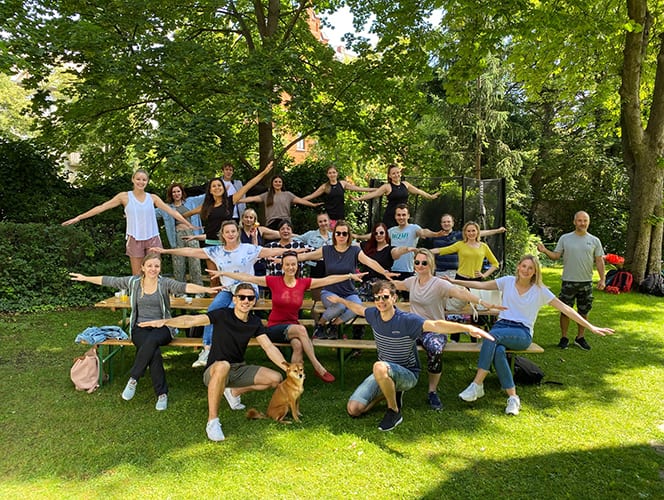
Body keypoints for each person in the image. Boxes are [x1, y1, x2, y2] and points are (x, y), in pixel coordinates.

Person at [450, 255, 614, 415]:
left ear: (535, 272)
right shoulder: (507, 281)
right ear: (518, 267)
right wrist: (454, 281)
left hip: (522, 333)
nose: (526, 270)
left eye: (531, 268)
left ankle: (477, 384)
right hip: (501, 327)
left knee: (491, 336)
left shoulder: (540, 291)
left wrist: (590, 327)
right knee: (498, 351)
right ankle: (513, 398)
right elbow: (481, 286)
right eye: (524, 266)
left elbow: (566, 309)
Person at [327, 281, 493, 431]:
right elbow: (358, 309)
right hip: (384, 372)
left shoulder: (407, 320)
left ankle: (394, 411)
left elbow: (435, 324)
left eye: (385, 297)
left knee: (379, 366)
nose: (381, 301)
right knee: (354, 409)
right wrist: (341, 301)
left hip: (408, 374)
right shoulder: (373, 315)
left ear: (394, 298)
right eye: (377, 298)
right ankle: (388, 391)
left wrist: (467, 328)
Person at [138, 283, 290, 441]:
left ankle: (233, 392)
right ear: (235, 299)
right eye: (242, 297)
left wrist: (287, 367)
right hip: (214, 369)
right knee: (223, 365)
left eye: (250, 298)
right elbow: (191, 321)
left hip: (238, 368)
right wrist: (165, 322)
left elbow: (268, 347)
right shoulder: (222, 314)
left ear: (254, 302)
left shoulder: (254, 322)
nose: (246, 301)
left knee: (275, 378)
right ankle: (213, 421)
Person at [69, 253, 218, 411]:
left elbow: (185, 287)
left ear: (160, 269)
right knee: (152, 352)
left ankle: (133, 378)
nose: (153, 269)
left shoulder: (164, 283)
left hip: (163, 327)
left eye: (156, 266)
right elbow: (109, 280)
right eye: (150, 266)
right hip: (139, 328)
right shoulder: (134, 282)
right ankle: (162, 395)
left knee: (152, 341)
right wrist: (86, 278)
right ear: (143, 268)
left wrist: (207, 288)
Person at [149, 220, 295, 368]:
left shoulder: (249, 249)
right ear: (222, 235)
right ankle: (207, 349)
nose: (231, 234)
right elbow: (191, 252)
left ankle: (226, 352)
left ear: (238, 233)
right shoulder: (216, 251)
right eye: (227, 232)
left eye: (233, 231)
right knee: (213, 311)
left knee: (230, 313)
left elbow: (273, 251)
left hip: (247, 290)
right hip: (227, 289)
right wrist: (166, 251)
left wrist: (296, 252)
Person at [210, 251, 367, 383]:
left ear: (297, 266)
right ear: (282, 266)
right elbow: (248, 277)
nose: (291, 267)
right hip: (273, 328)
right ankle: (318, 366)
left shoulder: (302, 283)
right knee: (300, 330)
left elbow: (327, 280)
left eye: (294, 264)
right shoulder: (273, 281)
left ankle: (293, 380)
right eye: (287, 264)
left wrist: (349, 276)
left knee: (298, 345)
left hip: (292, 327)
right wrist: (223, 273)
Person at [394, 249, 505, 410]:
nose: (420, 266)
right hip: (413, 328)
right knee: (395, 345)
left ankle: (432, 391)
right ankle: (398, 387)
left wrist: (483, 302)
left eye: (424, 263)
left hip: (434, 329)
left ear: (431, 264)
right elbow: (397, 285)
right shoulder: (412, 281)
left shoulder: (439, 284)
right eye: (417, 262)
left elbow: (460, 293)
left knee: (435, 349)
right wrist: (381, 282)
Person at [62, 169, 194, 275]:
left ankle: (155, 304)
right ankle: (137, 305)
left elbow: (172, 212)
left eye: (144, 180)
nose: (141, 182)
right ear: (133, 179)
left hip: (153, 238)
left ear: (147, 182)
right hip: (134, 238)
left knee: (154, 273)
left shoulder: (152, 198)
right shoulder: (124, 197)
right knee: (137, 274)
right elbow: (101, 207)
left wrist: (188, 224)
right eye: (138, 179)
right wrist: (79, 217)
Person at [297, 220, 399, 339]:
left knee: (357, 307)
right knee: (340, 306)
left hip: (349, 292)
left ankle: (334, 325)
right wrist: (285, 258)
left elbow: (370, 261)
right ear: (334, 235)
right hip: (330, 291)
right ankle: (320, 325)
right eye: (338, 233)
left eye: (344, 233)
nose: (341, 236)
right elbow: (306, 256)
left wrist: (384, 272)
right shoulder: (326, 250)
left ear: (348, 235)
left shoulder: (354, 251)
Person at [183, 161, 275, 286]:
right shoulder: (206, 206)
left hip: (228, 244)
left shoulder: (231, 200)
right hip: (210, 244)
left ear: (223, 188)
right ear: (210, 190)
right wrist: (184, 224)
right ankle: (216, 303)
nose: (217, 188)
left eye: (219, 186)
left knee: (230, 275)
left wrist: (264, 172)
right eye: (214, 186)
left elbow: (248, 185)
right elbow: (184, 215)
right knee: (213, 277)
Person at [536, 211, 606, 351]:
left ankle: (580, 338)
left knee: (584, 311)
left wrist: (602, 279)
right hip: (568, 281)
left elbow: (599, 261)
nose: (582, 223)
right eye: (579, 220)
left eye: (585, 220)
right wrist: (544, 250)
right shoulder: (565, 238)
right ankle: (564, 337)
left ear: (588, 222)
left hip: (586, 282)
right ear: (574, 222)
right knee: (565, 311)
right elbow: (556, 256)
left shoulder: (594, 240)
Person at [432, 220, 501, 342]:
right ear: (465, 232)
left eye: (473, 230)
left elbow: (495, 264)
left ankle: (475, 339)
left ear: (477, 232)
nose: (471, 233)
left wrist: (484, 275)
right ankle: (454, 338)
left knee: (477, 310)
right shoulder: (460, 245)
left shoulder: (483, 247)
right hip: (460, 280)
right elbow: (442, 250)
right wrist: (423, 251)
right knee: (456, 311)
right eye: (468, 231)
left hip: (476, 282)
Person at [352, 164, 439, 228]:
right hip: (391, 217)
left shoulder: (406, 184)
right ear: (389, 175)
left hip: (402, 216)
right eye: (393, 173)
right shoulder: (387, 187)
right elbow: (374, 194)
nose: (396, 175)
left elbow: (418, 191)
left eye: (398, 173)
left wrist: (430, 196)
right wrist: (359, 198)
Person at [156, 183, 205, 288]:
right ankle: (180, 290)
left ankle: (198, 290)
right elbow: (151, 213)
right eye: (174, 192)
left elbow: (206, 197)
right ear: (171, 194)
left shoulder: (191, 202)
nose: (176, 194)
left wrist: (224, 184)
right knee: (178, 264)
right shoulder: (167, 207)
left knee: (195, 262)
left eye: (178, 191)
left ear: (182, 192)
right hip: (176, 236)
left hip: (192, 235)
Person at [430, 213, 506, 276]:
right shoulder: (436, 236)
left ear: (452, 223)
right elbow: (434, 252)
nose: (446, 224)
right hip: (440, 272)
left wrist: (497, 231)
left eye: (448, 221)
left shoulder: (459, 235)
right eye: (444, 222)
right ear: (441, 224)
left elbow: (480, 233)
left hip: (456, 272)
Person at [238, 175, 323, 229]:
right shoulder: (266, 195)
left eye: (279, 182)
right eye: (275, 182)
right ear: (272, 183)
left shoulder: (287, 195)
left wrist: (313, 205)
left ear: (282, 184)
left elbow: (301, 200)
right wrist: (238, 200)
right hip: (271, 223)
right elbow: (252, 198)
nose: (277, 183)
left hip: (285, 222)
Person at [302, 165, 375, 227]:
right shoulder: (325, 187)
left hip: (341, 218)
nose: (332, 174)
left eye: (334, 172)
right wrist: (297, 200)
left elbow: (359, 189)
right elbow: (311, 196)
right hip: (329, 219)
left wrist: (375, 190)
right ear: (327, 175)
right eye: (330, 173)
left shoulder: (342, 184)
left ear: (337, 173)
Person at [358, 222, 416, 300]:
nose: (379, 235)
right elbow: (352, 246)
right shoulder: (366, 246)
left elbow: (398, 251)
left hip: (382, 287)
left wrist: (407, 249)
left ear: (386, 234)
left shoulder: (390, 250)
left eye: (381, 233)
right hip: (366, 286)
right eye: (376, 233)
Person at [388, 204, 444, 282]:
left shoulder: (414, 228)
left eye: (404, 215)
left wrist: (435, 234)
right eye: (399, 215)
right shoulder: (391, 230)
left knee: (408, 294)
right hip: (392, 269)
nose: (401, 217)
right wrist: (364, 237)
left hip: (408, 270)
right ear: (395, 216)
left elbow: (424, 232)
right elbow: (375, 235)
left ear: (408, 216)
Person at [238, 207, 280, 277]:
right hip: (245, 266)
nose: (248, 220)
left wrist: (299, 237)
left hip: (260, 265)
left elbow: (280, 234)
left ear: (255, 220)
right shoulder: (238, 232)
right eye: (246, 217)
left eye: (251, 218)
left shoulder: (260, 230)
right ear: (242, 219)